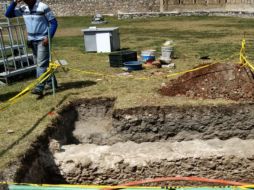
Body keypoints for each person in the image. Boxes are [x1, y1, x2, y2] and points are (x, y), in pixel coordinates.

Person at [5, 0, 58, 96]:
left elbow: (54, 23)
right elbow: (8, 14)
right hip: (31, 40)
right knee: (42, 64)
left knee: (41, 64)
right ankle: (52, 83)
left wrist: (48, 37)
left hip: (43, 40)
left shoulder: (43, 7)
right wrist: (14, 2)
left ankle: (39, 87)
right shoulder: (23, 8)